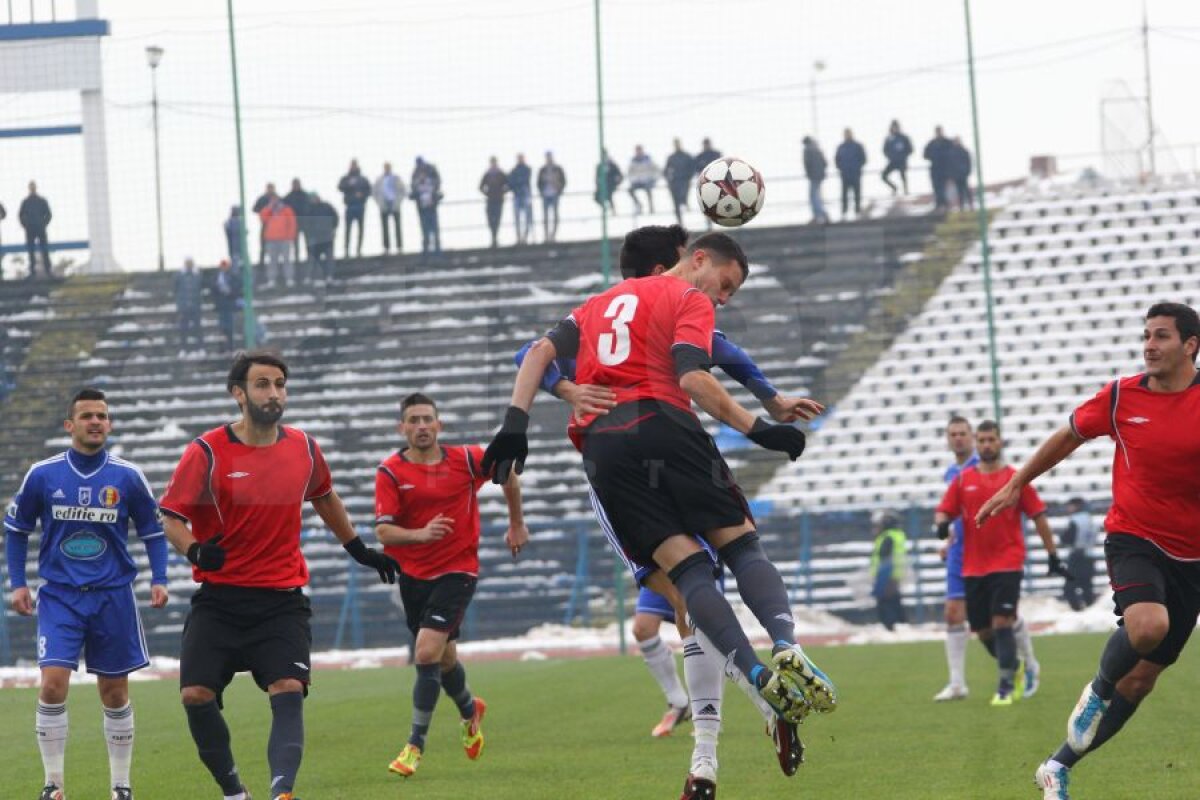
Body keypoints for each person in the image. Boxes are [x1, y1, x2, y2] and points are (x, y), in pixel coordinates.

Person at [486, 231, 837, 798]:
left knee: (688, 583)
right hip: (664, 426)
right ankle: (785, 646)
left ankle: (741, 703)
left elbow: (536, 352)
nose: (722, 298)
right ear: (687, 260)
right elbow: (697, 374)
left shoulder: (598, 304)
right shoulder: (684, 299)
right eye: (725, 284)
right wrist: (762, 426)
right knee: (740, 547)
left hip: (604, 449)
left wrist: (516, 421)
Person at [973, 303, 1200, 798]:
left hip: (1193, 558)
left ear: (1190, 345)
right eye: (1146, 335)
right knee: (1147, 626)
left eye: (1161, 336)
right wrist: (1018, 482)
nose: (1149, 345)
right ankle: (1097, 689)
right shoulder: (1121, 396)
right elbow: (1069, 435)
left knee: (1140, 682)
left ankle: (1056, 766)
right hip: (1134, 536)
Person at [159, 351, 400, 800]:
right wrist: (194, 548)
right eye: (263, 384)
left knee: (288, 687)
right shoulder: (207, 451)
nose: (274, 393)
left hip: (281, 601)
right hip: (220, 601)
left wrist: (359, 549)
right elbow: (170, 516)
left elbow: (324, 497)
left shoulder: (304, 448)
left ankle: (281, 793)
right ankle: (234, 791)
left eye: (279, 384)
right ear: (239, 394)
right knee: (194, 695)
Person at [4, 388, 169, 800]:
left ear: (109, 424)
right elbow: (16, 531)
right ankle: (54, 786)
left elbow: (154, 532)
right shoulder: (43, 475)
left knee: (114, 693)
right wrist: (17, 583)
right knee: (53, 685)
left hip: (112, 595)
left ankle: (121, 787)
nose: (95, 421)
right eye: (87, 416)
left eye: (102, 415)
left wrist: (160, 578)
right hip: (60, 595)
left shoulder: (128, 477)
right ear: (70, 425)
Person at [375, 393, 528, 778]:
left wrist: (515, 522)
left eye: (428, 418)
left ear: (439, 425)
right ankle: (469, 711)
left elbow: (506, 469)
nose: (422, 425)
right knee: (444, 659)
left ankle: (414, 746)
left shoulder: (466, 459)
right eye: (414, 420)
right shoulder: (391, 472)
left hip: (458, 571)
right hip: (414, 578)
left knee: (425, 653)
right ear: (402, 428)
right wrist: (421, 534)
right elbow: (383, 532)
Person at [935, 420, 1067, 706]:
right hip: (972, 565)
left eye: (990, 440)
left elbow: (1039, 516)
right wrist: (942, 527)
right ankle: (1017, 665)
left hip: (1008, 562)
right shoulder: (962, 480)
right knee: (982, 630)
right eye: (982, 440)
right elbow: (944, 511)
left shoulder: (1016, 479)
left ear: (1000, 442)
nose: (985, 445)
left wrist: (1053, 554)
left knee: (1002, 620)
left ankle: (1006, 686)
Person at [869, 510, 908, 631]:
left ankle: (889, 626)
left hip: (886, 574)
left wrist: (881, 578)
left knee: (884, 601)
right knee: (894, 599)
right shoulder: (898, 535)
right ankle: (901, 623)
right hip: (895, 573)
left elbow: (884, 557)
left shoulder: (888, 537)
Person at [1061, 497, 1098, 611]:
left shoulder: (1075, 520)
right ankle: (1091, 611)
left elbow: (1068, 538)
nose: (1068, 508)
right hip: (1090, 555)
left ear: (1076, 506)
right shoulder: (1090, 519)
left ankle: (1077, 610)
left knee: (1069, 588)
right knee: (1087, 587)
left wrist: (1062, 537)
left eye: (1070, 505)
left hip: (1077, 556)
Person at [259, 196, 297, 289]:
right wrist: (268, 208)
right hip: (271, 239)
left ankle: (289, 278)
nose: (274, 202)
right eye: (272, 200)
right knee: (272, 260)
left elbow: (292, 223)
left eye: (275, 200)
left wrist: (290, 236)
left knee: (287, 259)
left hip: (285, 239)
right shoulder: (268, 210)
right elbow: (262, 218)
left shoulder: (287, 210)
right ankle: (271, 279)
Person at [338, 160, 371, 259]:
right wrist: (349, 185)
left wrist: (362, 195)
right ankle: (346, 250)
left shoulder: (363, 179)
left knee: (360, 229)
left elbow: (369, 190)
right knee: (348, 229)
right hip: (350, 206)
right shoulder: (346, 178)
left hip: (360, 206)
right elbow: (340, 187)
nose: (353, 167)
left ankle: (358, 250)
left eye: (355, 165)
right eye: (352, 165)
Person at [19, 181, 52, 279]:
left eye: (33, 186)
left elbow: (49, 214)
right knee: (31, 251)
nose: (32, 188)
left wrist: (44, 224)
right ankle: (32, 272)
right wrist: (26, 225)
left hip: (41, 228)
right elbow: (20, 215)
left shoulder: (41, 200)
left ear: (36, 188)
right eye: (31, 187)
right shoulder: (26, 201)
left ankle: (48, 270)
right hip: (30, 230)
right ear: (29, 188)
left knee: (44, 249)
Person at [304, 192, 339, 285]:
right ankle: (309, 277)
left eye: (314, 197)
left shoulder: (327, 206)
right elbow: (306, 224)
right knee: (312, 259)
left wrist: (333, 228)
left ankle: (329, 276)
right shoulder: (308, 210)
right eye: (311, 198)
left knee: (329, 258)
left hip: (327, 237)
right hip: (314, 239)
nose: (313, 199)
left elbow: (335, 217)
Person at [411, 157, 443, 257]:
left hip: (431, 208)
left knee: (434, 229)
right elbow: (413, 192)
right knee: (425, 230)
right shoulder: (417, 182)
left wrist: (436, 198)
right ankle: (427, 249)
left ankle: (437, 249)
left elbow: (437, 190)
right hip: (423, 208)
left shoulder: (431, 181)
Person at [374, 162, 406, 255]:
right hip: (384, 205)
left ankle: (399, 247)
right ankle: (386, 247)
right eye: (385, 167)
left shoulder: (396, 178)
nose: (387, 169)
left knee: (397, 226)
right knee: (385, 227)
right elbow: (375, 192)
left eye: (388, 167)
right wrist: (379, 203)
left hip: (394, 204)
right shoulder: (379, 179)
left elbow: (403, 190)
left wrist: (398, 201)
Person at [834, 128, 866, 220]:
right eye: (845, 134)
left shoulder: (858, 146)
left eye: (848, 133)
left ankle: (857, 211)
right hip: (845, 175)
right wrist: (841, 168)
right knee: (844, 194)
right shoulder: (841, 147)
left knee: (857, 194)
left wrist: (857, 167)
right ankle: (844, 211)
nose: (847, 135)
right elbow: (837, 160)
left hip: (855, 174)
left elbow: (863, 158)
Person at [175, 257, 204, 355]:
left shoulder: (197, 275)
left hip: (195, 307)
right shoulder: (179, 275)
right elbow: (175, 289)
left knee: (198, 329)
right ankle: (183, 349)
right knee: (183, 329)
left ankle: (200, 348)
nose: (189, 265)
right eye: (187, 263)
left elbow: (201, 286)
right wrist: (180, 305)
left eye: (190, 263)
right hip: (184, 308)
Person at [536, 152, 566, 243]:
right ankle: (546, 235)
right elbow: (538, 182)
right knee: (545, 216)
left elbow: (564, 181)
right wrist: (541, 192)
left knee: (555, 215)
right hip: (545, 195)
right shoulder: (542, 169)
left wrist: (559, 190)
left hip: (554, 194)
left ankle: (553, 234)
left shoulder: (558, 169)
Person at [479, 157, 508, 248]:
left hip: (499, 200)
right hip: (490, 200)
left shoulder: (501, 174)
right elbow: (480, 186)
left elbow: (507, 184)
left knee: (497, 220)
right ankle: (493, 237)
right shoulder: (487, 174)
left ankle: (495, 238)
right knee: (491, 220)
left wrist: (502, 192)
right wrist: (487, 193)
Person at [211, 259, 239, 353]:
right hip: (221, 306)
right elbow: (213, 290)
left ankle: (231, 347)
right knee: (222, 329)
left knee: (230, 328)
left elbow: (236, 288)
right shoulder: (216, 277)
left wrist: (230, 292)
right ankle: (222, 348)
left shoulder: (233, 276)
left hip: (229, 306)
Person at [664, 138, 694, 225]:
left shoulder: (687, 156)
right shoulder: (671, 157)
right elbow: (665, 170)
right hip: (674, 182)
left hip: (684, 181)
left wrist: (688, 177)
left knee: (683, 197)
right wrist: (669, 180)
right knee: (676, 204)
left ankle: (685, 202)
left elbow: (692, 168)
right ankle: (680, 223)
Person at [923, 126, 953, 211]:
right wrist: (933, 156)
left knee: (943, 188)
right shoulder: (932, 143)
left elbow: (952, 154)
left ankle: (944, 204)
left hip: (945, 169)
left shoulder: (947, 142)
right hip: (935, 169)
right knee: (936, 188)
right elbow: (925, 155)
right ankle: (939, 204)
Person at [802, 137, 829, 225]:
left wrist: (809, 173)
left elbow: (807, 163)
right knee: (817, 196)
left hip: (813, 176)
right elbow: (825, 163)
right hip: (820, 175)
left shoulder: (807, 150)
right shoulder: (817, 149)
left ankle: (819, 214)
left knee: (813, 196)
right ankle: (821, 214)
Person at [881, 120, 913, 195]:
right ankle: (894, 187)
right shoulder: (889, 138)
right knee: (883, 176)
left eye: (896, 127)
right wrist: (890, 156)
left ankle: (906, 190)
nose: (894, 128)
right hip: (892, 161)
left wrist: (903, 156)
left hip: (902, 161)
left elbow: (910, 149)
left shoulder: (904, 138)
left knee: (903, 175)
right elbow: (885, 150)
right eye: (893, 127)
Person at [508, 153, 533, 246]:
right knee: (517, 218)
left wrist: (517, 182)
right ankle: (519, 237)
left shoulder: (527, 169)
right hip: (517, 196)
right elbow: (510, 182)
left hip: (525, 195)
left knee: (527, 218)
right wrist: (517, 183)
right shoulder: (514, 170)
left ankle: (525, 237)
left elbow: (524, 180)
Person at [282, 179, 309, 263]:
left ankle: (308, 257)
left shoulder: (305, 195)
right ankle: (297, 258)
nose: (296, 186)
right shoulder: (288, 197)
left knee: (307, 240)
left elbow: (310, 207)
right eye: (294, 184)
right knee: (295, 242)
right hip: (294, 222)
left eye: (297, 184)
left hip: (304, 221)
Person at [627, 145, 659, 215]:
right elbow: (629, 173)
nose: (638, 152)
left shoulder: (648, 159)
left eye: (640, 150)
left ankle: (651, 206)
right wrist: (633, 179)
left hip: (647, 181)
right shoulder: (633, 161)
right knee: (630, 190)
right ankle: (638, 204)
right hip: (637, 181)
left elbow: (656, 170)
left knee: (648, 189)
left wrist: (653, 178)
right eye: (637, 150)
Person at [251, 183, 275, 268]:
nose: (270, 190)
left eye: (271, 188)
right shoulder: (262, 199)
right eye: (269, 188)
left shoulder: (277, 198)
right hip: (265, 224)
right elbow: (254, 209)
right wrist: (263, 211)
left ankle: (274, 263)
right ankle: (261, 263)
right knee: (263, 244)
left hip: (276, 227)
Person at [949, 136, 974, 210]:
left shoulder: (964, 151)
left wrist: (967, 171)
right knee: (959, 192)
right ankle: (961, 206)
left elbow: (968, 162)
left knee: (966, 190)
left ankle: (971, 205)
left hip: (963, 174)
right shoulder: (951, 152)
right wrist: (952, 175)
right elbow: (950, 165)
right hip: (956, 175)